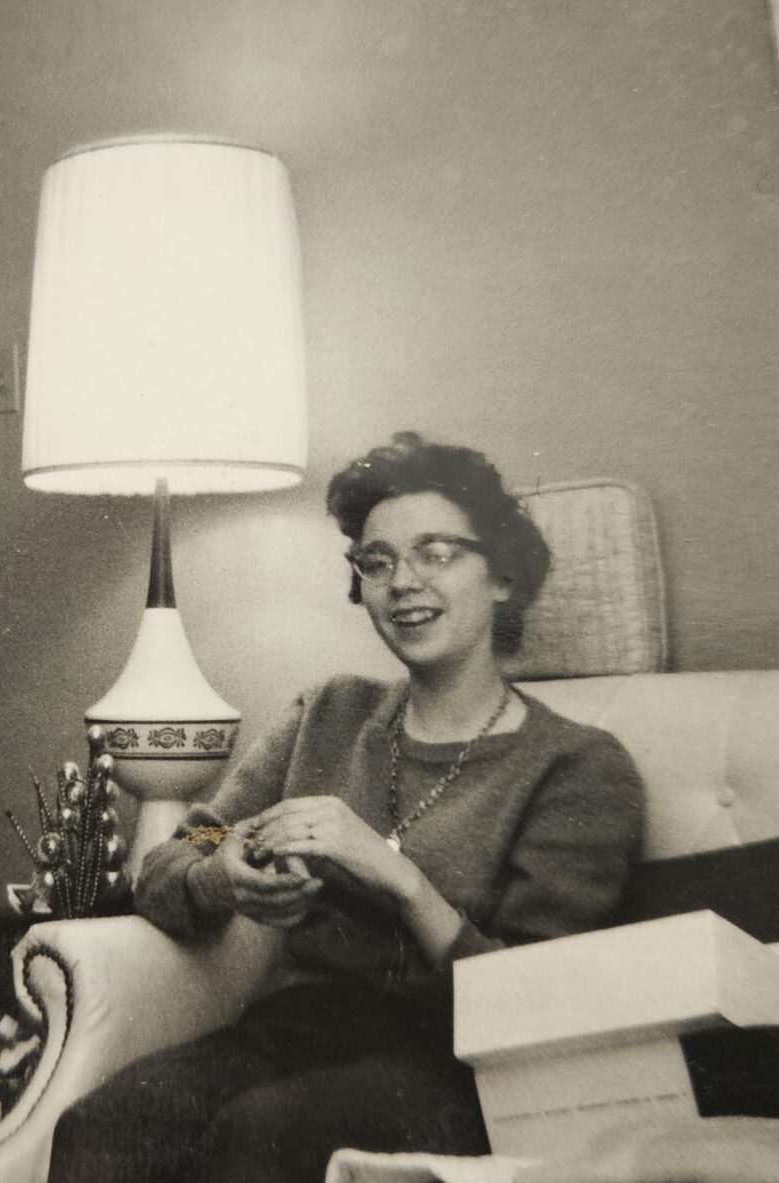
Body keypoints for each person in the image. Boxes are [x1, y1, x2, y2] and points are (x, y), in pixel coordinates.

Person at [47, 433, 647, 1183]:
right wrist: (220, 874)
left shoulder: (576, 767)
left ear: (501, 574)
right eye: (377, 561)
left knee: (263, 1134)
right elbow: (182, 850)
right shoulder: (328, 715)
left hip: (453, 1066)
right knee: (106, 1123)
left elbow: (536, 1006)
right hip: (294, 1034)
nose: (403, 583)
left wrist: (399, 879)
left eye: (436, 553)